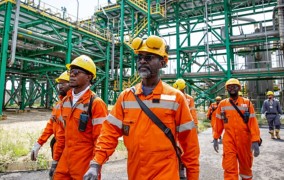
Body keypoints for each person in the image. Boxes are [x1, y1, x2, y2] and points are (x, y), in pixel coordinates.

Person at [84, 35, 200, 180]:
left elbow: (189, 142)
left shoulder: (175, 98)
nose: (142, 61)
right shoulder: (126, 97)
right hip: (135, 171)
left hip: (165, 171)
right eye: (139, 57)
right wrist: (96, 163)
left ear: (163, 63)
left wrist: (192, 175)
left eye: (149, 57)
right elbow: (109, 132)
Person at [53, 55, 108, 180]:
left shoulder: (96, 103)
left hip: (85, 164)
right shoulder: (65, 101)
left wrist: (96, 165)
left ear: (89, 77)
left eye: (76, 72)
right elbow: (61, 135)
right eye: (70, 72)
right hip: (64, 162)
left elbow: (101, 139)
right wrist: (56, 160)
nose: (72, 75)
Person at [213, 78, 261, 180]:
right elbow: (218, 122)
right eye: (230, 87)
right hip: (229, 140)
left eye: (234, 86)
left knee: (246, 168)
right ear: (227, 89)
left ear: (239, 88)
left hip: (245, 141)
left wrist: (255, 140)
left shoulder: (247, 103)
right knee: (229, 167)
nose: (232, 89)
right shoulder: (222, 104)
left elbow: (253, 123)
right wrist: (215, 137)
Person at [30, 71, 70, 178]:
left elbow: (62, 138)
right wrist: (38, 144)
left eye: (64, 83)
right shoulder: (58, 105)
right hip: (58, 149)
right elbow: (50, 127)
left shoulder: (70, 107)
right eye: (59, 83)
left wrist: (55, 161)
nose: (60, 86)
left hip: (66, 153)